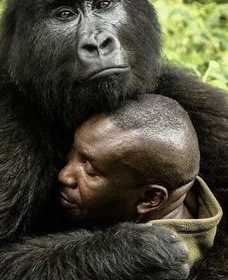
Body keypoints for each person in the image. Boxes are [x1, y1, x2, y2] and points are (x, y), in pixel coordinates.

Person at [58, 94, 222, 270]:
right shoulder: (177, 185)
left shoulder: (147, 278)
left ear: (150, 198)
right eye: (73, 151)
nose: (64, 175)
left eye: (91, 172)